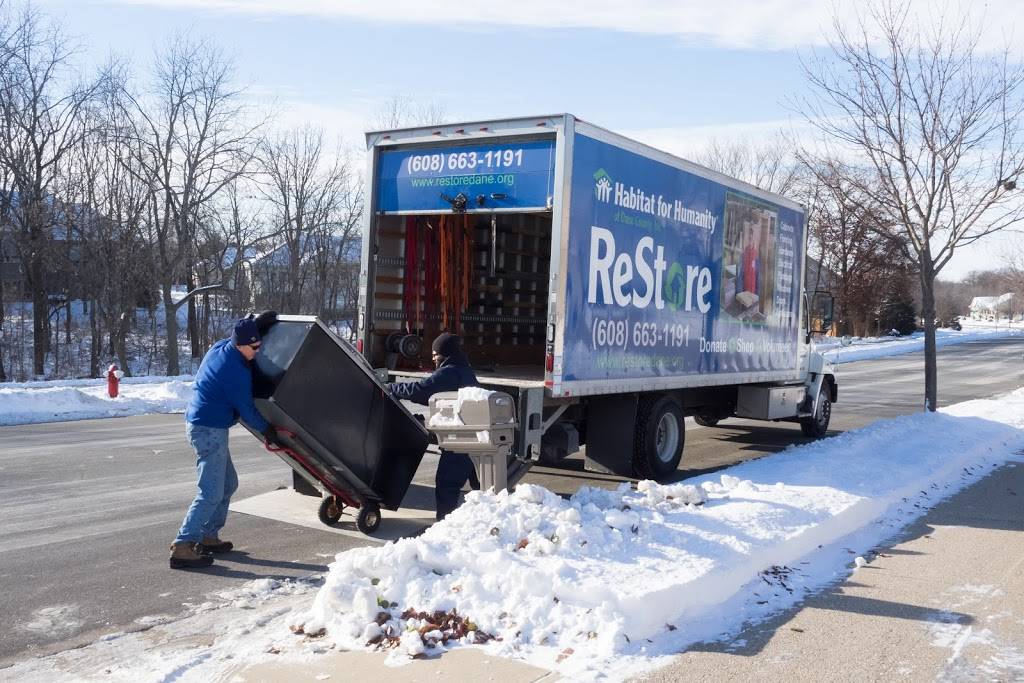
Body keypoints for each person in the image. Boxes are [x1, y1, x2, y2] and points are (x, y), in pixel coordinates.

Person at [169, 314, 280, 570]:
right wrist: (268, 430)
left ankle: (208, 535)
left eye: (259, 345)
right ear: (241, 346)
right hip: (208, 429)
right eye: (255, 347)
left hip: (205, 424)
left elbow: (237, 334)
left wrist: (254, 325)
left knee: (228, 483)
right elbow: (247, 409)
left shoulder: (222, 347)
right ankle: (183, 545)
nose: (258, 351)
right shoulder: (234, 371)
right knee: (211, 491)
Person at [387, 333, 480, 520]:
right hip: (474, 437)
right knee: (481, 487)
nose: (433, 358)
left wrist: (391, 388)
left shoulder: (449, 372)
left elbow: (421, 391)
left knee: (447, 483)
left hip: (460, 440)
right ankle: (486, 523)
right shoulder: (464, 370)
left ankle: (444, 528)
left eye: (435, 354)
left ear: (445, 354)